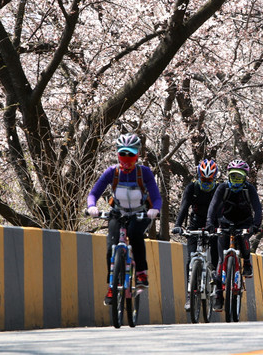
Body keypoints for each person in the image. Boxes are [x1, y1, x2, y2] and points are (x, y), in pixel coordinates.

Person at [87, 133, 162, 305]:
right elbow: (94, 193)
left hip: (140, 213)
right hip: (117, 213)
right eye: (123, 153)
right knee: (110, 248)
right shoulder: (111, 172)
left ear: (137, 155)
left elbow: (156, 197)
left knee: (135, 235)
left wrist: (155, 210)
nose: (127, 158)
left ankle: (141, 273)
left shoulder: (145, 173)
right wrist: (92, 206)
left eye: (131, 154)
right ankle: (112, 287)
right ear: (117, 154)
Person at [207, 159, 262, 312]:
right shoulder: (222, 188)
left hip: (244, 222)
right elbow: (213, 206)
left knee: (243, 238)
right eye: (233, 176)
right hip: (225, 222)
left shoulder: (249, 189)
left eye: (239, 177)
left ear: (245, 177)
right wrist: (210, 223)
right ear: (228, 176)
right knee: (220, 259)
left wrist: (255, 226)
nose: (236, 180)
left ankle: (247, 262)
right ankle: (218, 294)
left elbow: (257, 209)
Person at [172, 159, 220, 311]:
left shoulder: (218, 188)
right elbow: (184, 207)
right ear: (199, 176)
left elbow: (223, 208)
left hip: (214, 223)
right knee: (190, 259)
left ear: (215, 177)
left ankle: (214, 276)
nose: (207, 182)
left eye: (210, 179)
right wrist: (178, 225)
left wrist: (220, 227)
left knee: (215, 252)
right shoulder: (192, 187)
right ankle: (189, 295)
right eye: (204, 179)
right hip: (196, 222)